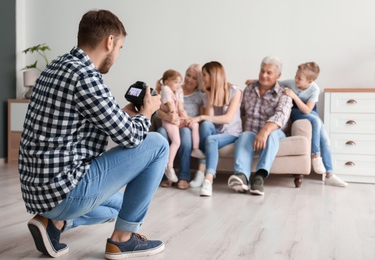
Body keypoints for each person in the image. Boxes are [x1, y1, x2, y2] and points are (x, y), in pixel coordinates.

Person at [18, 10, 169, 259]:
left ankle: (54, 224)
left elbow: (77, 126)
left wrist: (124, 115)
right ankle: (123, 240)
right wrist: (146, 114)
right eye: (120, 47)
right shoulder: (86, 76)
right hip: (63, 190)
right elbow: (131, 138)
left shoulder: (54, 68)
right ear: (109, 42)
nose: (117, 54)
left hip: (38, 193)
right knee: (158, 143)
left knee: (119, 207)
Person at [228, 56, 292, 196]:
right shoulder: (249, 89)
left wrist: (265, 131)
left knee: (272, 134)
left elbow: (281, 116)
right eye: (262, 71)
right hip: (251, 131)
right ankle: (241, 177)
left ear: (278, 75)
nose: (264, 75)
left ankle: (259, 178)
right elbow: (240, 111)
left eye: (269, 72)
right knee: (244, 136)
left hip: (274, 132)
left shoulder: (284, 93)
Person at [280, 62, 348, 187]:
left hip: (309, 112)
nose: (295, 79)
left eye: (299, 78)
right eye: (296, 76)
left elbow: (307, 109)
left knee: (325, 139)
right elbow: (273, 82)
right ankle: (315, 156)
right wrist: (255, 81)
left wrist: (294, 95)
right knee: (316, 121)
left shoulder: (314, 89)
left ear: (310, 81)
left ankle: (330, 174)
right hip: (295, 113)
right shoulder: (290, 83)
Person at [188, 61, 243, 197]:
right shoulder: (207, 93)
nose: (202, 79)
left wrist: (200, 116)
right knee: (206, 125)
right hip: (214, 131)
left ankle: (207, 179)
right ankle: (201, 172)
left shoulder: (235, 91)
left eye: (204, 75)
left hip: (231, 133)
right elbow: (209, 118)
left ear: (213, 76)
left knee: (210, 137)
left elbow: (228, 119)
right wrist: (210, 95)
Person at [156, 64, 206, 190]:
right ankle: (164, 176)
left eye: (194, 78)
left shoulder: (200, 95)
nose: (189, 79)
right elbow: (158, 111)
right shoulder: (172, 88)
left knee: (185, 134)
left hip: (185, 126)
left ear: (199, 81)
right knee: (161, 132)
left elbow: (201, 118)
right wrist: (169, 117)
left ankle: (183, 177)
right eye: (188, 75)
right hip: (169, 123)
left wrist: (187, 118)